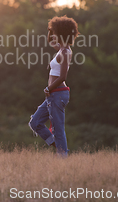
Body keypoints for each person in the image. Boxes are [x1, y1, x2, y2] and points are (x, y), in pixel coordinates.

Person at [28, 15, 79, 157]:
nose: (54, 35)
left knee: (58, 128)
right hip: (53, 94)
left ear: (62, 33)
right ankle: (58, 147)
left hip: (58, 93)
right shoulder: (61, 49)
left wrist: (48, 89)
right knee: (35, 122)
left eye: (56, 31)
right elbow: (50, 40)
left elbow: (63, 76)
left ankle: (62, 156)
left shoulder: (65, 52)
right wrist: (50, 28)